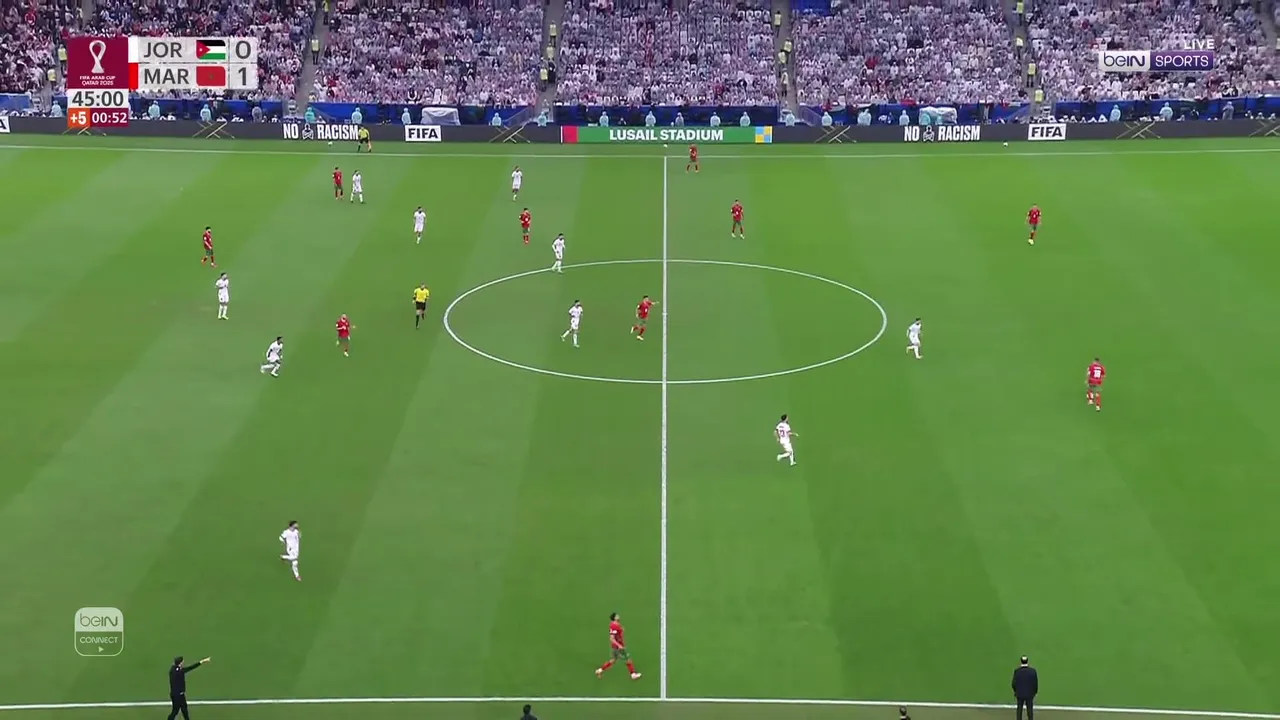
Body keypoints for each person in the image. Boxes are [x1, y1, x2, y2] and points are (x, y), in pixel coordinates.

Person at [167, 655, 210, 720]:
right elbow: (190, 668)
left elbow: (176, 669)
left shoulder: (172, 670)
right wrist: (202, 662)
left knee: (183, 710)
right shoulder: (180, 671)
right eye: (182, 661)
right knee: (177, 711)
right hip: (178, 695)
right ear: (180, 663)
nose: (183, 662)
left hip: (176, 694)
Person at [1012, 655, 1038, 720]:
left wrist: (1016, 691)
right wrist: (1034, 692)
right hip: (1029, 694)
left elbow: (1014, 683)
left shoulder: (1017, 671)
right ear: (1027, 661)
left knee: (1019, 709)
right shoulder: (1032, 671)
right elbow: (1035, 683)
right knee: (1029, 709)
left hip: (1019, 694)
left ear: (1021, 661)